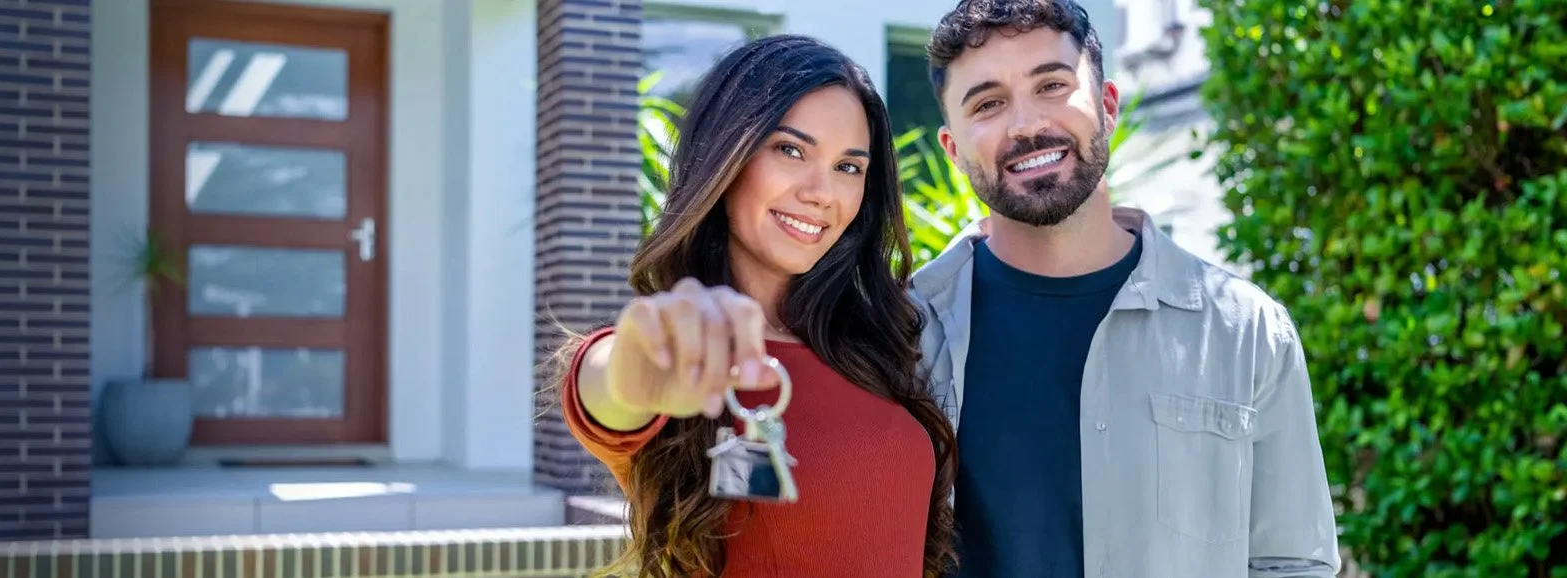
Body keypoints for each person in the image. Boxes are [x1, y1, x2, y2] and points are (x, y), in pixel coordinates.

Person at [910, 1, 1342, 577]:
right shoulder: (902, 332)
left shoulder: (1246, 331)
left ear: (1108, 106)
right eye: (988, 103)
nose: (1025, 125)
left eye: (1052, 85)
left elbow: (1293, 563)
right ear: (953, 148)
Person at [551, 35, 958, 578]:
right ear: (726, 154)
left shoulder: (875, 340)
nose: (822, 192)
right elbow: (607, 386)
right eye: (791, 150)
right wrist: (634, 369)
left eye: (849, 167)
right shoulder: (689, 348)